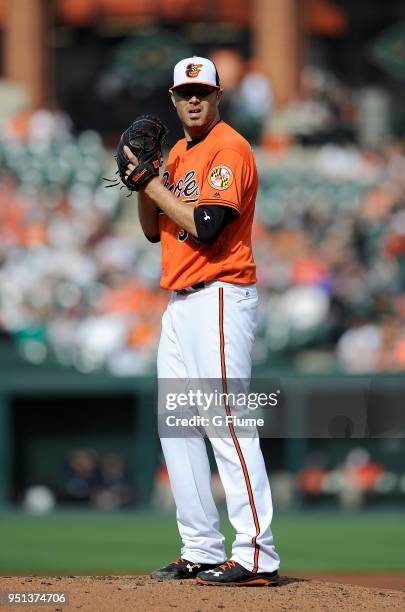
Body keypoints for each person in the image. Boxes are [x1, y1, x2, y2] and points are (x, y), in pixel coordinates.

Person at [124, 56, 280, 586]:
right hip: (179, 301)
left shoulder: (228, 148)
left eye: (203, 92)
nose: (193, 100)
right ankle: (201, 546)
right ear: (172, 99)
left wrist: (156, 184)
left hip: (219, 294)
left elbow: (208, 226)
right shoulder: (178, 155)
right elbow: (152, 230)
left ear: (218, 97)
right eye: (185, 92)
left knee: (226, 422)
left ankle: (257, 552)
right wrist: (142, 181)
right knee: (179, 427)